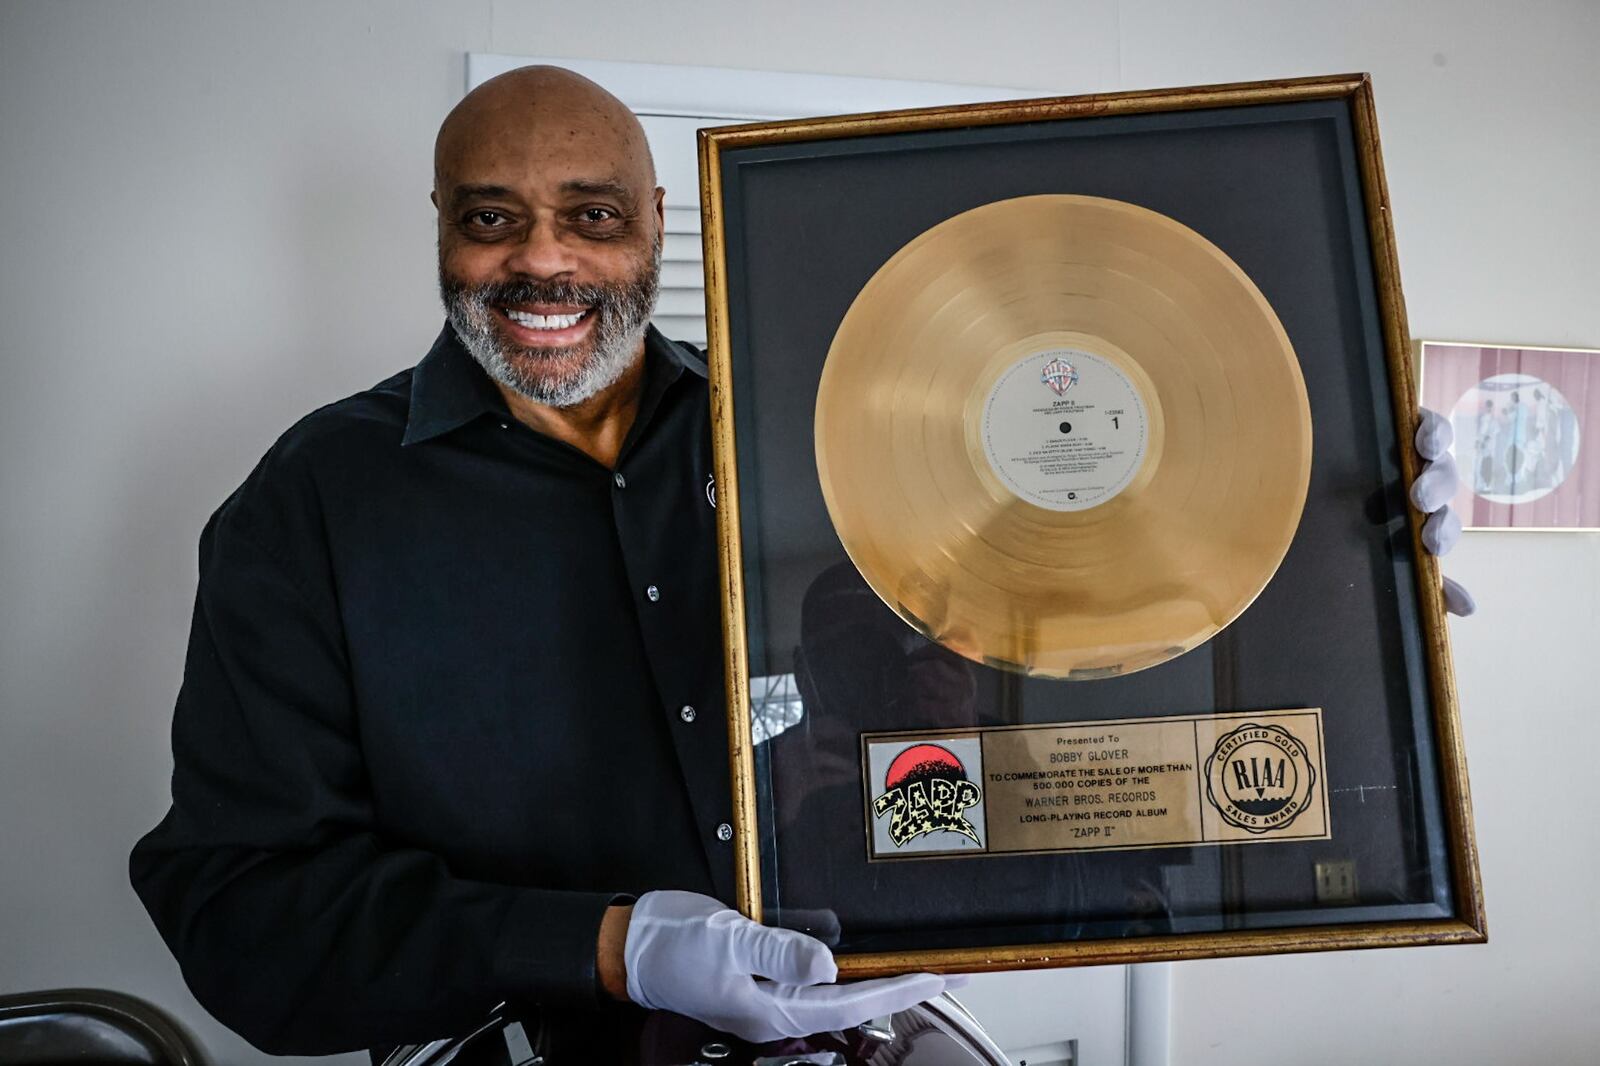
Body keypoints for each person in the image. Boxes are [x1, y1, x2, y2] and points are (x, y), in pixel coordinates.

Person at [130, 63, 1472, 1061]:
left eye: (589, 215)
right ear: (440, 225)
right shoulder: (310, 505)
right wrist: (611, 944)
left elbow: (1076, 663)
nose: (540, 259)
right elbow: (243, 915)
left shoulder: (831, 471)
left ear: (656, 220)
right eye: (491, 217)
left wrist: (1352, 567)